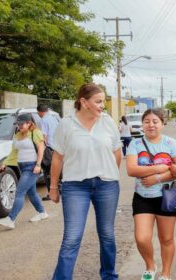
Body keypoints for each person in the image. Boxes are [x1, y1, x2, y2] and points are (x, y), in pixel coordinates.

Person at [50, 83, 122, 279]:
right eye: (98, 101)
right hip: (75, 187)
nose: (102, 105)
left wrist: (111, 173)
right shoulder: (66, 124)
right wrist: (53, 187)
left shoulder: (107, 122)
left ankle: (109, 276)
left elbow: (117, 153)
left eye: (103, 101)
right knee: (72, 238)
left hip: (106, 185)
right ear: (84, 102)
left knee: (107, 235)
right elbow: (58, 157)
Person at [126, 108, 176, 280]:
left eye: (155, 121)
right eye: (147, 121)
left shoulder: (170, 143)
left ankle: (166, 274)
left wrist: (157, 178)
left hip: (167, 196)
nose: (151, 125)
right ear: (143, 124)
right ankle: (150, 266)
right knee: (141, 238)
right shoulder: (135, 144)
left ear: (162, 124)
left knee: (166, 239)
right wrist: (158, 168)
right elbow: (131, 169)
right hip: (142, 198)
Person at [0, 113, 48, 229]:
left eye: (21, 124)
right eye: (17, 124)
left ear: (29, 123)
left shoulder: (36, 133)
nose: (19, 126)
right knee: (32, 192)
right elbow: (14, 152)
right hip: (22, 167)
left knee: (19, 192)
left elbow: (41, 150)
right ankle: (42, 212)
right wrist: (5, 163)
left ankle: (11, 219)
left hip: (32, 167)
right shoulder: (18, 135)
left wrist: (38, 165)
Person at [37, 104, 59, 201]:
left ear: (39, 112)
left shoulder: (43, 120)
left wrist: (41, 147)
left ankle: (51, 194)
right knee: (57, 170)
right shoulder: (54, 118)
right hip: (57, 148)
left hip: (49, 149)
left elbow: (44, 137)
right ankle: (59, 190)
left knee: (47, 172)